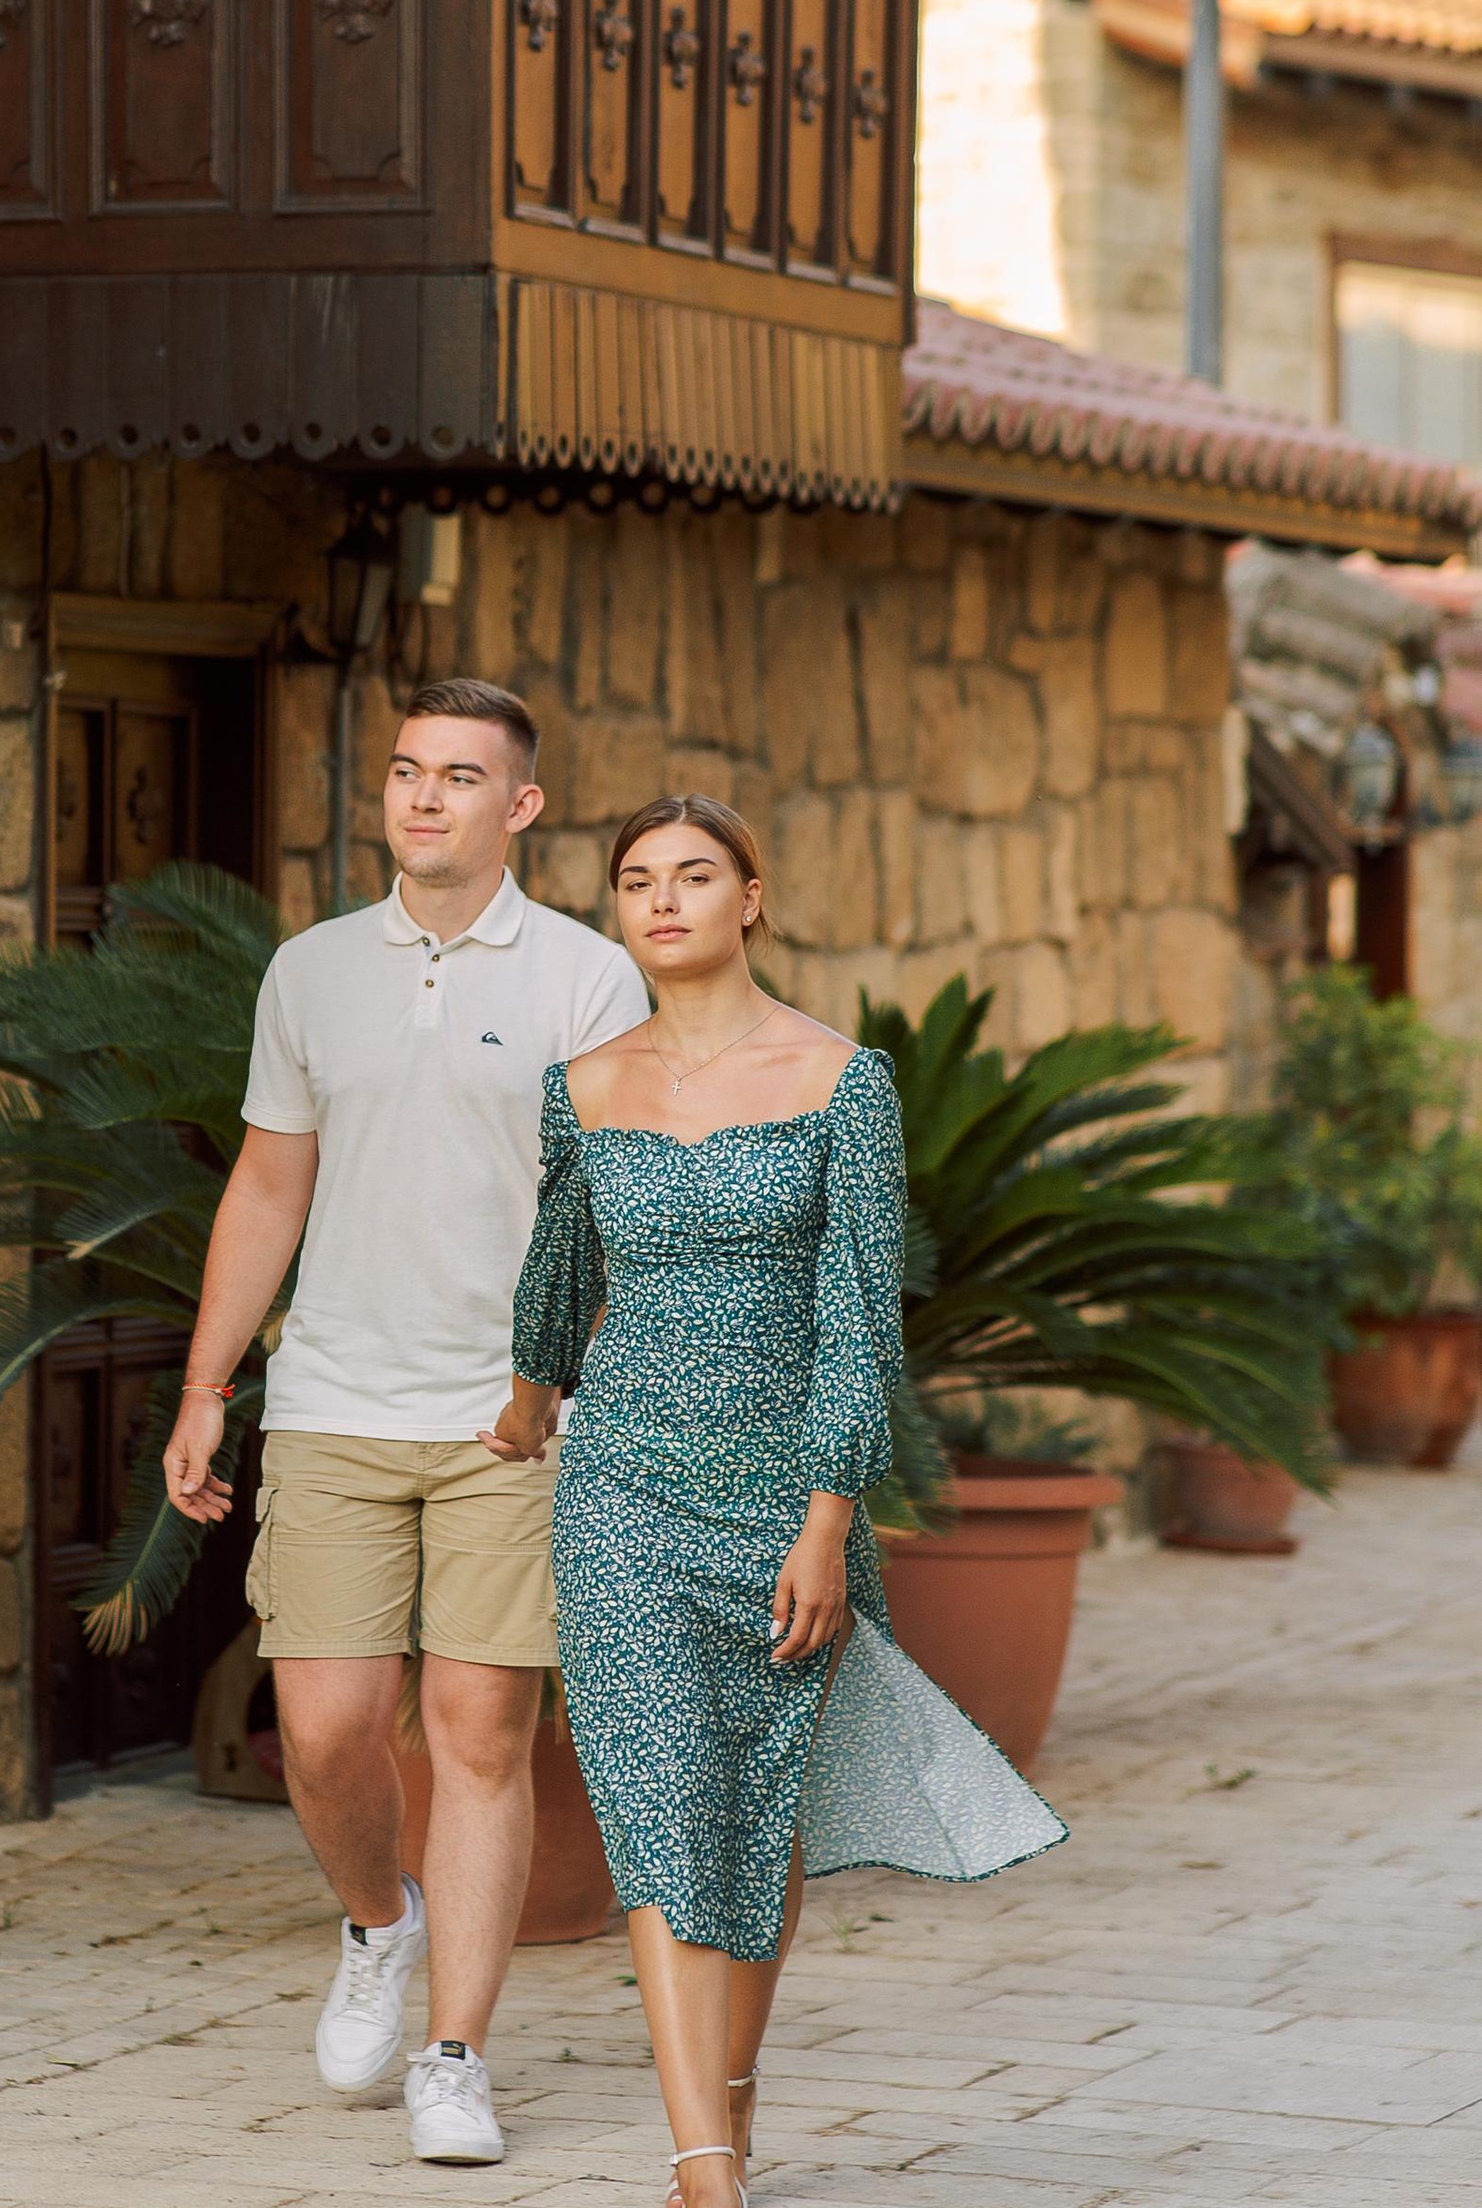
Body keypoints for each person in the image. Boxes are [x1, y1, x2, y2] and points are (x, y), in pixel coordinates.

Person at [482, 794, 1067, 2208]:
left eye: (693, 875)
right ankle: (704, 2172)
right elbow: (562, 1262)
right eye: (635, 879)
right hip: (620, 1482)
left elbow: (861, 1320)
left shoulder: (839, 1081)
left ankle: (728, 2108)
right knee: (654, 1794)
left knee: (754, 1804)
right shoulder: (584, 1083)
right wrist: (529, 1386)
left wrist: (824, 1515)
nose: (662, 900)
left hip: (781, 1493)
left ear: (754, 895)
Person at [163, 677, 648, 2167]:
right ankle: (381, 1921)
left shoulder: (585, 978)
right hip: (332, 1406)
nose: (423, 798)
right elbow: (267, 1185)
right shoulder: (310, 973)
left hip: (514, 1415)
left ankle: (456, 2054)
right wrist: (205, 1385)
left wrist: (574, 1385)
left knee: (480, 1732)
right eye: (404, 773)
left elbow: (620, 1206)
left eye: (459, 777)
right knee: (321, 1733)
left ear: (522, 807)